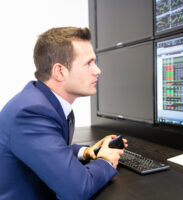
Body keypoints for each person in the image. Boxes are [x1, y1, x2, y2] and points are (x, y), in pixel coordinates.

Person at [0, 27, 127, 200]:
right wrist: (105, 161)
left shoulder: (41, 101)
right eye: (88, 63)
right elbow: (76, 190)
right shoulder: (32, 113)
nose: (97, 71)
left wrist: (87, 151)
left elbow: (50, 149)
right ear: (60, 72)